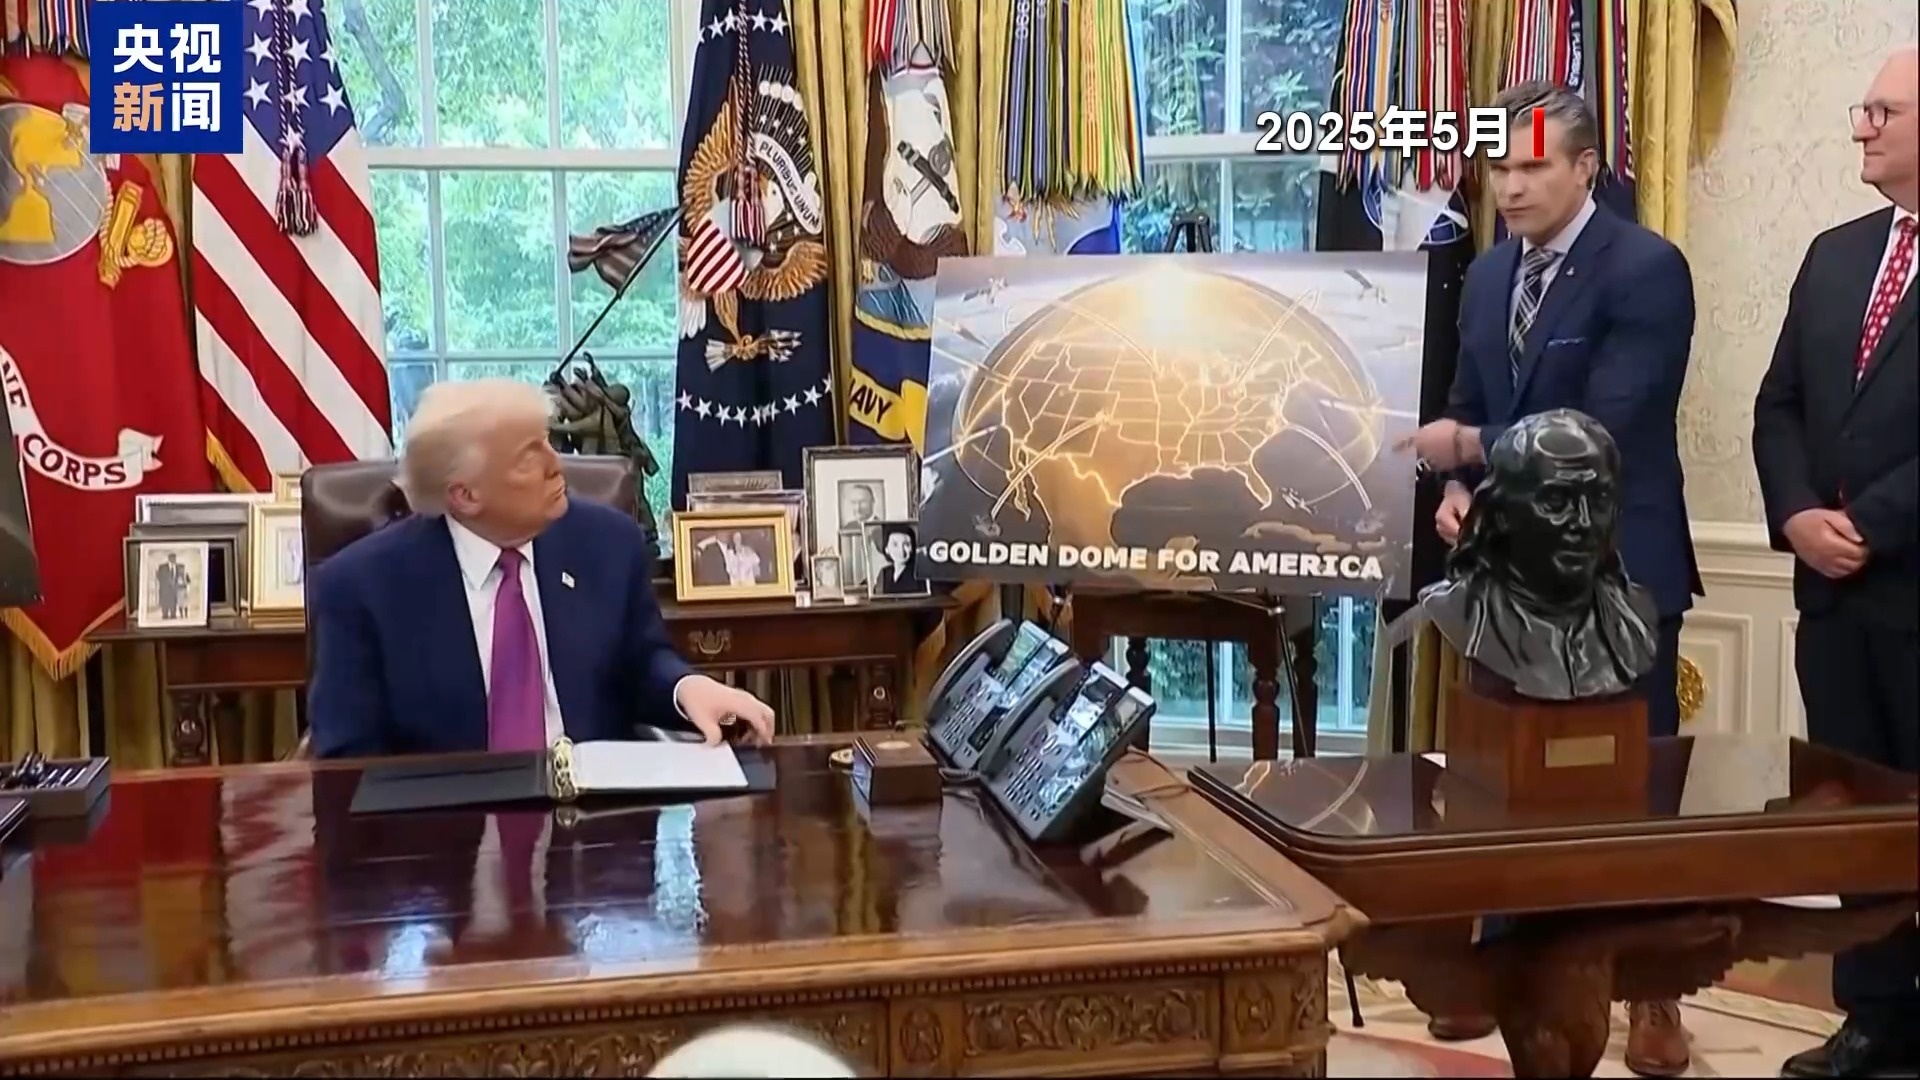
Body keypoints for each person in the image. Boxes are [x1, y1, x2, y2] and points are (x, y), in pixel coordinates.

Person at [1392, 81, 1699, 1074]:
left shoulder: (1646, 268)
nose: (1511, 186)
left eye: (1533, 166)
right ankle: (1499, 971)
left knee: (1634, 791)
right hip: (1505, 589)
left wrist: (1467, 449)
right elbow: (1464, 400)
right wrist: (1456, 490)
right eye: (1500, 167)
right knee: (1502, 789)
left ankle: (1651, 991)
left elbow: (1604, 425)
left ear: (1585, 168)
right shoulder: (1488, 277)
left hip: (1617, 578)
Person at [307, 379, 775, 758]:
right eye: (528, 457)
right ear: (465, 495)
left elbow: (641, 662)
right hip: (443, 832)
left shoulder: (609, 544)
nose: (557, 465)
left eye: (547, 442)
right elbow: (350, 762)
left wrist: (688, 688)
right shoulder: (360, 589)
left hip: (598, 824)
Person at [1751, 44, 1918, 1080]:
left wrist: (1874, 523)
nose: (1860, 126)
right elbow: (1779, 406)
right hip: (1833, 606)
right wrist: (1797, 514)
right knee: (1857, 824)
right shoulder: (1835, 253)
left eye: (1883, 112)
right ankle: (1877, 1017)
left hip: (1911, 583)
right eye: (1863, 109)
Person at [870, 523, 921, 596]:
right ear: (886, 549)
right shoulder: (884, 573)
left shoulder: (918, 575)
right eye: (895, 544)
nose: (901, 550)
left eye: (906, 544)